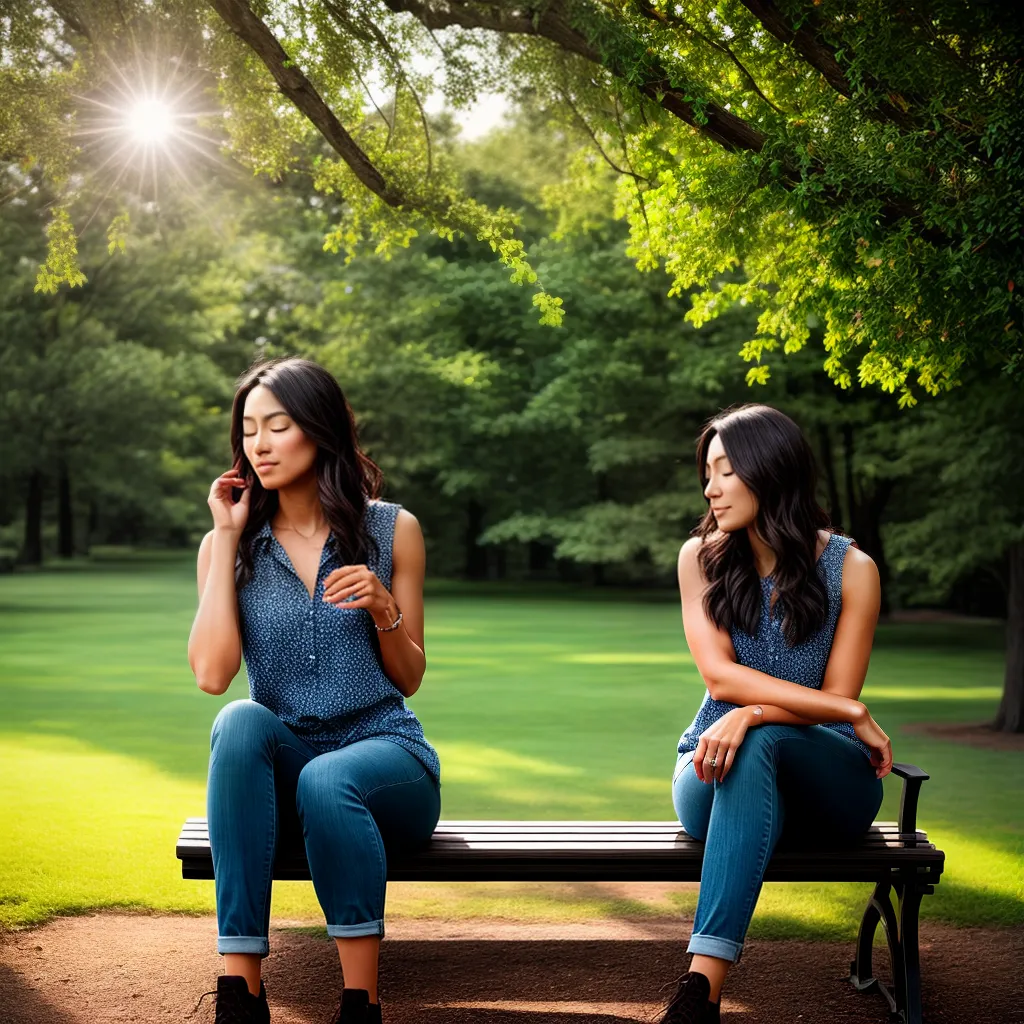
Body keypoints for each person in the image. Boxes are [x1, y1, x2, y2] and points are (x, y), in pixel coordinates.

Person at [187, 357, 441, 1024]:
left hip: (386, 758)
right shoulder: (230, 546)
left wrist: (384, 606)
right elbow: (213, 676)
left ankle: (362, 1004)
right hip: (290, 758)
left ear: (319, 431)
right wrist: (226, 539)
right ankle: (240, 993)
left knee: (329, 779)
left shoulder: (392, 530)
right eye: (247, 430)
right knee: (240, 721)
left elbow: (409, 676)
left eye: (278, 426)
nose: (259, 444)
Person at [660, 404, 892, 1023]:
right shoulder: (700, 559)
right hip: (714, 769)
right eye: (706, 472)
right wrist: (850, 708)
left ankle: (698, 993)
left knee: (753, 737)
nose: (710, 488)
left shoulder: (853, 569)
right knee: (746, 746)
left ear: (771, 470)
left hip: (826, 782)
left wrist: (755, 714)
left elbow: (825, 712)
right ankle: (701, 994)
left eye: (726, 471)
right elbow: (719, 677)